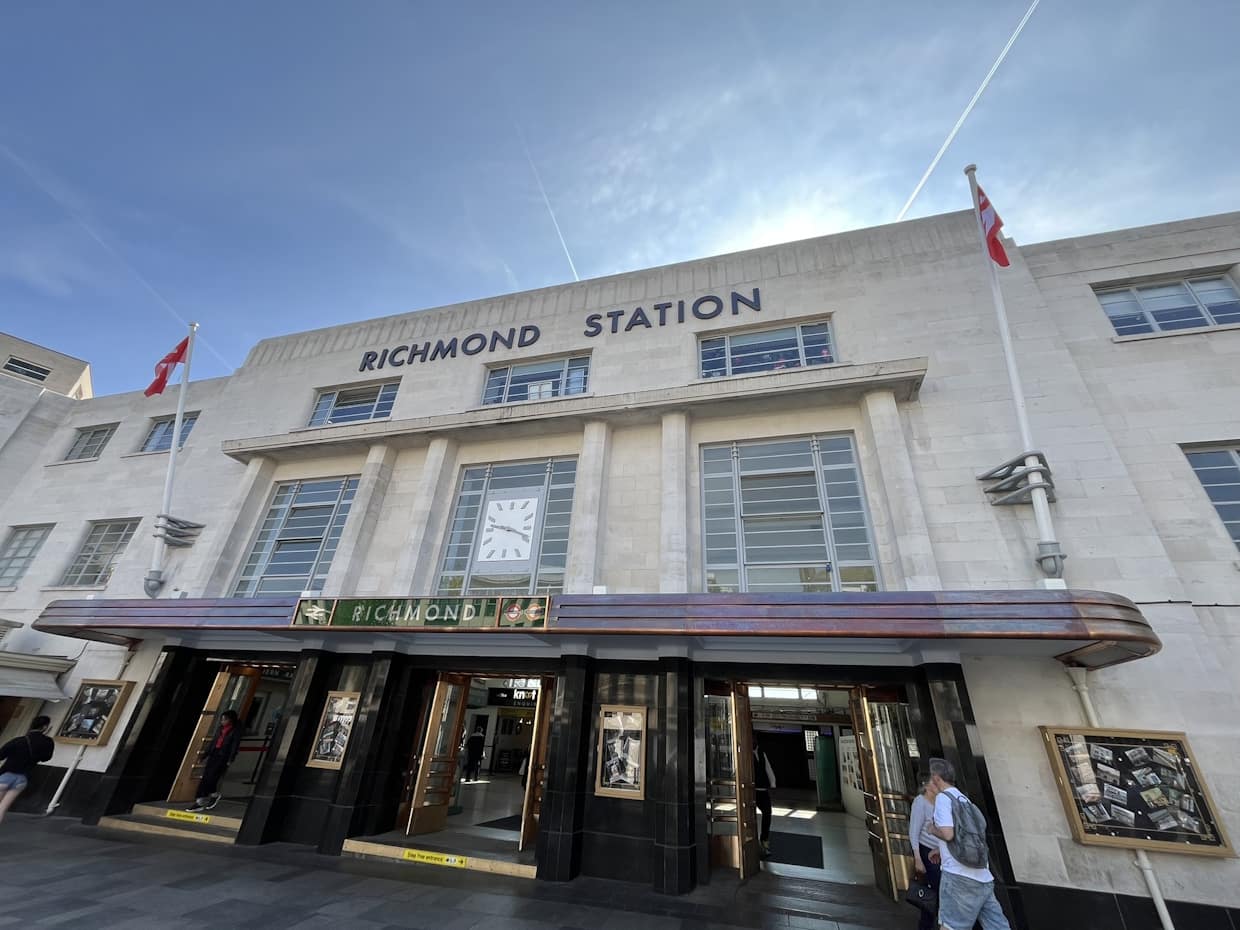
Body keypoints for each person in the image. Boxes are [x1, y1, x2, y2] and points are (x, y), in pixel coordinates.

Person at [927, 757, 1011, 930]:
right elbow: (967, 836)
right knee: (998, 927)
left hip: (958, 877)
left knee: (950, 926)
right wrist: (939, 849)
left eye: (930, 778)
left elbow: (948, 834)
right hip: (983, 876)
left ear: (936, 778)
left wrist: (931, 829)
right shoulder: (964, 799)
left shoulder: (943, 798)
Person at [0, 715, 54, 822]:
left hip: (6, 775)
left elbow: (1, 755)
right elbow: (46, 758)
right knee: (2, 808)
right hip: (22, 779)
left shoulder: (18, 741)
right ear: (45, 727)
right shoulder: (48, 742)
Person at [186, 710, 242, 812]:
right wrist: (204, 756)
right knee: (206, 777)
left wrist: (230, 758)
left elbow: (234, 745)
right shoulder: (220, 729)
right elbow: (213, 743)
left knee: (211, 777)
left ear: (231, 720)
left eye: (225, 719)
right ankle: (206, 798)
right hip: (214, 754)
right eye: (222, 719)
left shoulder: (236, 730)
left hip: (223, 756)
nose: (222, 721)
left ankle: (204, 799)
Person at [907, 773, 941, 930]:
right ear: (926, 786)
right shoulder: (920, 803)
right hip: (926, 852)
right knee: (933, 893)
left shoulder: (942, 802)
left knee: (938, 893)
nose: (937, 786)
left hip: (941, 852)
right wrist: (918, 858)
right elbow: (914, 831)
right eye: (934, 783)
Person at [753, 736, 777, 858]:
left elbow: (768, 768)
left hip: (762, 789)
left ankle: (764, 840)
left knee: (767, 813)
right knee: (751, 817)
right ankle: (753, 842)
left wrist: (773, 783)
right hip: (751, 790)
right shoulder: (745, 754)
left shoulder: (761, 753)